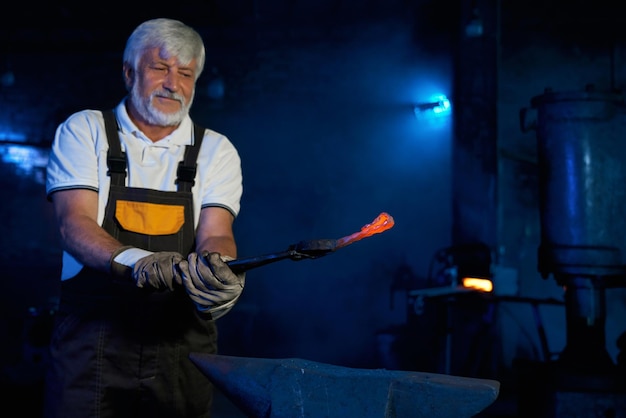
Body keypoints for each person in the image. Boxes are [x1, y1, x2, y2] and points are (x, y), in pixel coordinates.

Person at [43, 18, 245, 418]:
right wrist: (138, 262)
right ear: (129, 72)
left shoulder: (216, 150)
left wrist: (221, 273)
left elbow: (217, 234)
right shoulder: (85, 131)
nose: (173, 83)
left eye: (185, 73)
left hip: (183, 348)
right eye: (160, 68)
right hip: (92, 343)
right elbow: (73, 223)